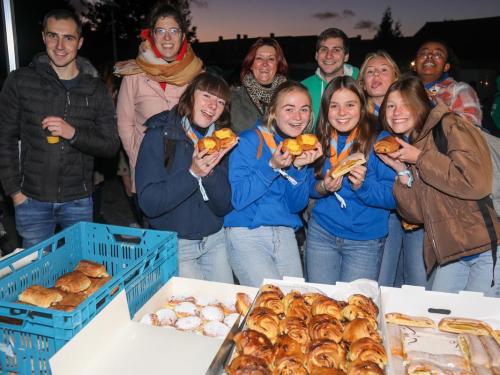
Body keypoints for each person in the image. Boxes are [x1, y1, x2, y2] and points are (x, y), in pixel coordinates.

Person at [0, 9, 119, 249]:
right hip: (31, 199)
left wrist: (72, 133)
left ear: (80, 42)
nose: (60, 45)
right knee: (38, 276)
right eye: (53, 36)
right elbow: (5, 139)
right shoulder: (20, 81)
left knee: (80, 273)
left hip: (79, 202)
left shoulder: (95, 89)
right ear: (44, 37)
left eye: (69, 38)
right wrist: (15, 192)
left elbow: (110, 145)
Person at [378, 76, 500, 297]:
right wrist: (402, 172)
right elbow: (416, 215)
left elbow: (476, 183)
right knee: (440, 317)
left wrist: (421, 159)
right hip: (451, 251)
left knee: (479, 323)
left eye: (406, 104)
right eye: (391, 106)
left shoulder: (450, 126)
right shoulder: (412, 144)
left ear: (422, 105)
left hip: (486, 246)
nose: (397, 112)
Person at [135, 72, 234, 283]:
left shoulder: (222, 142)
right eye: (207, 95)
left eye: (220, 101)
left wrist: (209, 173)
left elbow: (224, 205)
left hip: (215, 242)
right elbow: (149, 203)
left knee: (226, 308)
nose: (212, 105)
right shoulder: (159, 136)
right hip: (177, 245)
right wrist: (192, 174)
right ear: (191, 95)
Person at [225, 81, 322, 287]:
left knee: (295, 303)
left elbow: (296, 206)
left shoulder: (300, 147)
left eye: (303, 110)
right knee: (269, 304)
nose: (297, 117)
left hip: (285, 233)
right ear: (273, 112)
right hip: (248, 233)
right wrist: (271, 167)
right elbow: (238, 198)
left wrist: (299, 168)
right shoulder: (249, 140)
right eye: (289, 109)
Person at [114, 3, 203, 227]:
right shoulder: (133, 74)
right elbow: (124, 123)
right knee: (153, 235)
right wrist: (138, 157)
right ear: (151, 35)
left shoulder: (196, 75)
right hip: (147, 169)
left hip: (185, 168)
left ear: (183, 36)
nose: (167, 38)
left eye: (173, 30)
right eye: (160, 31)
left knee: (183, 238)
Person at [306, 76, 396, 284]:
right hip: (321, 234)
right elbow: (308, 188)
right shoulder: (319, 139)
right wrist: (323, 187)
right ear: (326, 109)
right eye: (334, 106)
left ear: (362, 106)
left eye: (350, 105)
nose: (342, 113)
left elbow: (394, 197)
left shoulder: (380, 141)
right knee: (321, 304)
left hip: (364, 241)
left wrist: (362, 187)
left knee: (355, 309)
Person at [359, 51, 427, 288]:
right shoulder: (354, 116)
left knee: (416, 275)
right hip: (382, 210)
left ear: (396, 76)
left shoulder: (415, 112)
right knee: (384, 278)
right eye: (370, 71)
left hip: (417, 206)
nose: (376, 75)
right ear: (363, 83)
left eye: (383, 70)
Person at [413, 39, 482, 126]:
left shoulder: (459, 90)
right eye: (424, 53)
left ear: (446, 67)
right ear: (415, 65)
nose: (430, 55)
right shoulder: (403, 91)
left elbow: (469, 129)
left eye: (438, 54)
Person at [302, 28, 360, 129]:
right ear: (316, 55)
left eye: (336, 50)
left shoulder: (362, 80)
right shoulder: (303, 88)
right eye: (324, 49)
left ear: (346, 56)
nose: (329, 56)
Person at [230, 37, 288, 134]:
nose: (265, 64)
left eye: (271, 59)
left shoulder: (290, 97)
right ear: (251, 65)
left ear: (278, 65)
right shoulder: (232, 99)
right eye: (259, 58)